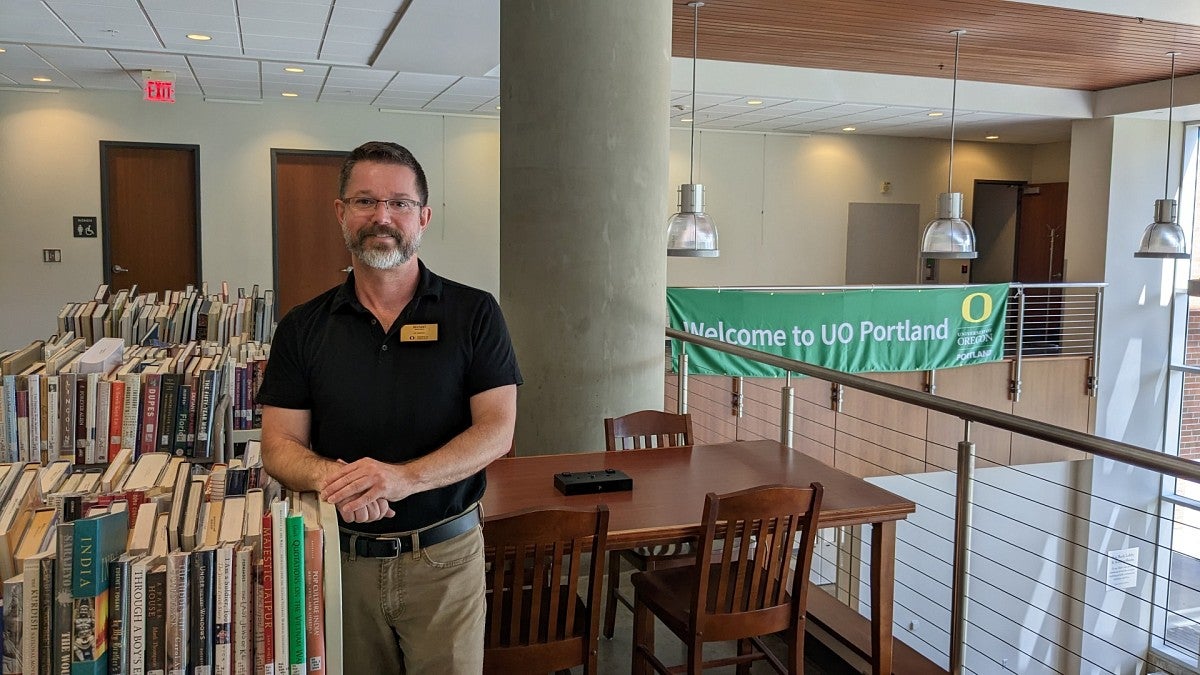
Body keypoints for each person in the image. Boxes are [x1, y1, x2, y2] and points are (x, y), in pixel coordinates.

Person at [256, 141, 521, 674]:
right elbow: (278, 446)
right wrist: (340, 480)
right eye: (365, 202)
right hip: (339, 562)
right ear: (340, 213)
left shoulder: (475, 313)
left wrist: (402, 479)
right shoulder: (302, 327)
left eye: (399, 203)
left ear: (423, 217)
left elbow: (497, 430)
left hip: (445, 562)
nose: (383, 217)